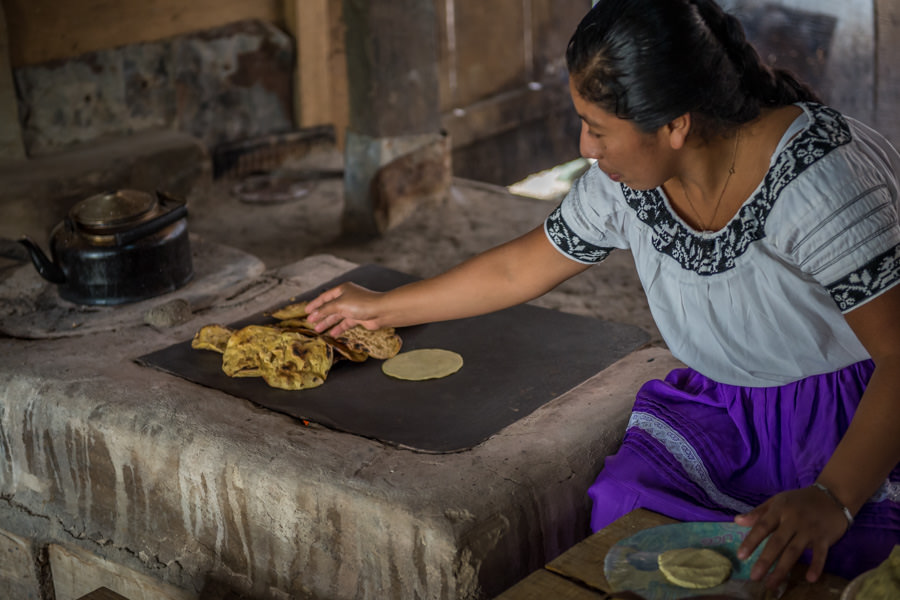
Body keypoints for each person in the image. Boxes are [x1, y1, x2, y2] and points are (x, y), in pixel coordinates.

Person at [307, 0, 900, 590]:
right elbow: (521, 270)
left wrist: (833, 497)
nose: (585, 147)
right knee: (626, 508)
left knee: (836, 562)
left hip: (846, 419)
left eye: (598, 129)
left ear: (675, 125)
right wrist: (383, 305)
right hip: (726, 412)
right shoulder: (630, 185)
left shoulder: (820, 183)